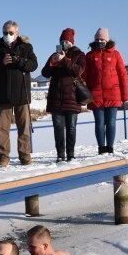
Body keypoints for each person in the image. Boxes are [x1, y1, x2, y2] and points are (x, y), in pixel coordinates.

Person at [0, 20, 38, 167]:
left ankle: (25, 155)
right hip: (3, 94)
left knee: (24, 128)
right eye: (5, 32)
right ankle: (3, 157)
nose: (7, 35)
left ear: (17, 33)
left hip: (22, 93)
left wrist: (19, 60)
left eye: (10, 33)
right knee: (1, 129)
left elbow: (33, 65)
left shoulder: (26, 47)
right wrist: (2, 62)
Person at [41, 28, 86, 162]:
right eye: (62, 41)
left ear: (72, 42)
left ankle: (70, 154)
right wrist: (52, 62)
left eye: (67, 41)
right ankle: (60, 154)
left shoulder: (79, 55)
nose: (64, 43)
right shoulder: (54, 55)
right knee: (58, 128)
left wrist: (64, 60)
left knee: (71, 128)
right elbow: (44, 73)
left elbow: (78, 71)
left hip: (72, 97)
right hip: (56, 98)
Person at [82, 28, 128, 155]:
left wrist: (125, 95)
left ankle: (110, 147)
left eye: (102, 39)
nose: (100, 41)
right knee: (99, 122)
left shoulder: (116, 54)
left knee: (111, 122)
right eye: (97, 39)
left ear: (107, 40)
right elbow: (83, 77)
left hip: (113, 94)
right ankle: (101, 148)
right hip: (95, 95)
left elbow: (123, 75)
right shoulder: (90, 56)